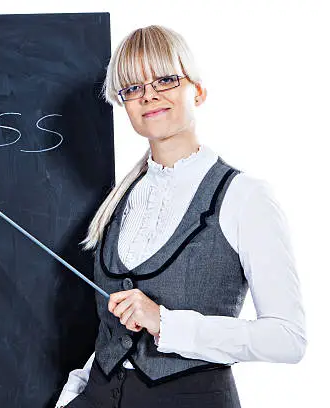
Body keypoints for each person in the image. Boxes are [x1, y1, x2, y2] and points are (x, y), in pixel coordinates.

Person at [55, 25, 307, 408]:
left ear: (198, 91)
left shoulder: (245, 196)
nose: (149, 95)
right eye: (133, 87)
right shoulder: (117, 200)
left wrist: (167, 323)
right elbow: (110, 338)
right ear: (123, 104)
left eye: (166, 79)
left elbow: (288, 339)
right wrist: (74, 395)